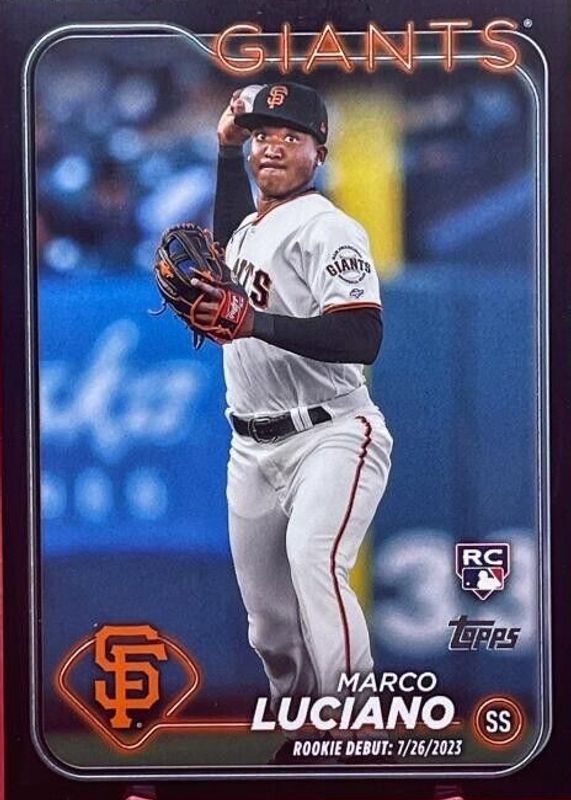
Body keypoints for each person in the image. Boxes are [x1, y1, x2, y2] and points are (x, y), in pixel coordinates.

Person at [193, 82, 393, 762]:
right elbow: (229, 247)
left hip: (331, 433)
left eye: (289, 134)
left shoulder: (328, 227)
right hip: (250, 448)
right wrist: (225, 153)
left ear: (319, 152)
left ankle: (357, 727)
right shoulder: (254, 226)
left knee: (315, 559)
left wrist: (254, 322)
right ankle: (303, 724)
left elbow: (362, 336)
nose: (271, 145)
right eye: (260, 134)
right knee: (270, 630)